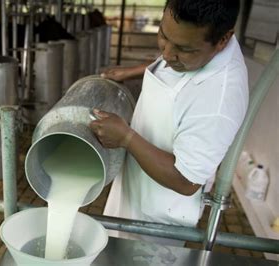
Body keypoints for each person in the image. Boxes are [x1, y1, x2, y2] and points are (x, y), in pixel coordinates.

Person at [90, 0, 248, 246]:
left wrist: (126, 138)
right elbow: (175, 54)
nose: (166, 54)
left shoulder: (218, 99)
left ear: (223, 40)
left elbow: (186, 181)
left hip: (154, 224)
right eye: (163, 34)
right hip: (134, 192)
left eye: (184, 49)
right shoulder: (194, 45)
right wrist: (137, 70)